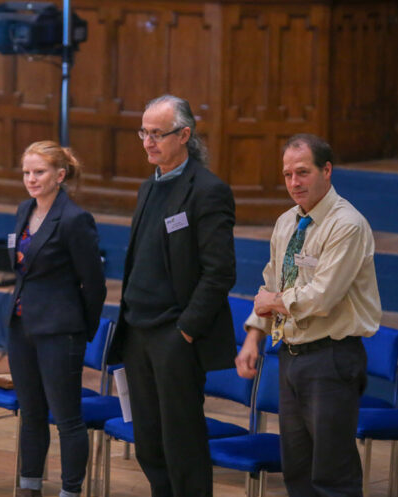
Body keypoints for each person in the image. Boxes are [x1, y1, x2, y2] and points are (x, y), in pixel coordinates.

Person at [236, 134, 381, 497]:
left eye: (302, 172)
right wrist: (254, 336)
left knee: (332, 476)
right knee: (297, 472)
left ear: (327, 171)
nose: (294, 183)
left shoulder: (346, 224)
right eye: (287, 175)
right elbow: (270, 281)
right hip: (290, 357)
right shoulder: (287, 222)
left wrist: (272, 301)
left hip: (331, 360)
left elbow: (321, 298)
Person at [107, 95, 236, 497]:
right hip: (138, 331)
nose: (147, 141)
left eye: (156, 133)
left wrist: (185, 331)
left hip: (174, 335)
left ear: (184, 135)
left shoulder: (207, 191)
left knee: (182, 442)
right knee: (148, 440)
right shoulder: (149, 186)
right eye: (143, 132)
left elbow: (219, 273)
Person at [7, 141, 106, 497]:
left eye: (39, 172)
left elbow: (94, 284)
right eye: (26, 172)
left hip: (60, 331)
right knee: (31, 413)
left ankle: (70, 491)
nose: (31, 179)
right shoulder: (23, 210)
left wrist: (80, 331)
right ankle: (29, 486)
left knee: (66, 418)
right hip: (21, 327)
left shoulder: (75, 219)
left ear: (60, 176)